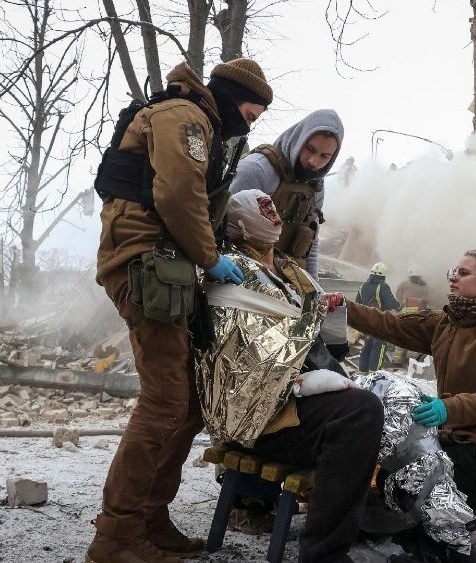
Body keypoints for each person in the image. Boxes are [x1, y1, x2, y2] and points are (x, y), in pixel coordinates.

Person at [88, 58, 273, 563]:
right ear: (235, 97)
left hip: (166, 266)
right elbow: (176, 192)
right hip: (144, 263)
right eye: (252, 112)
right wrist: (211, 259)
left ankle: (149, 516)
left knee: (188, 401)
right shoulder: (184, 117)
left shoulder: (203, 122)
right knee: (165, 400)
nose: (252, 123)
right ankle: (116, 537)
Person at [203, 190, 383, 563]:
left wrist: (328, 318)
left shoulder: (287, 270)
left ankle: (388, 522)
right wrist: (312, 330)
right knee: (360, 413)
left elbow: (324, 345)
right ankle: (323, 553)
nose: (275, 215)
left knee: (390, 399)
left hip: (296, 398)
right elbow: (251, 357)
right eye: (262, 209)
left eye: (273, 206)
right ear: (239, 224)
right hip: (261, 418)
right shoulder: (234, 271)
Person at [340, 249, 476, 555]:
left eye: (463, 273)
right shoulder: (448, 323)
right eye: (453, 271)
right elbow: (392, 325)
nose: (453, 278)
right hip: (452, 438)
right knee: (392, 479)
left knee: (418, 496)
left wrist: (450, 408)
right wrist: (344, 308)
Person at [228, 109, 344, 280]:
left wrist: (315, 291)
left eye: (324, 156)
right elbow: (221, 231)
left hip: (287, 283)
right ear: (299, 139)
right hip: (242, 279)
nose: (313, 161)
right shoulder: (256, 169)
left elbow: (310, 243)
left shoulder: (316, 186)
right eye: (310, 149)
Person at [355, 262, 400, 372]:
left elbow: (357, 303)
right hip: (379, 323)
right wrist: (399, 306)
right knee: (379, 348)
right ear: (383, 275)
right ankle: (374, 374)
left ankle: (362, 374)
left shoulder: (363, 286)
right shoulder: (382, 286)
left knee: (367, 347)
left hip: (367, 323)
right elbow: (391, 303)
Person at [392, 267, 432, 364]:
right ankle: (413, 360)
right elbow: (427, 299)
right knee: (415, 335)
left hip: (405, 312)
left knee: (401, 334)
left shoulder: (404, 283)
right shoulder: (424, 285)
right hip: (418, 313)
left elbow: (398, 296)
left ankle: (397, 359)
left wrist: (403, 302)